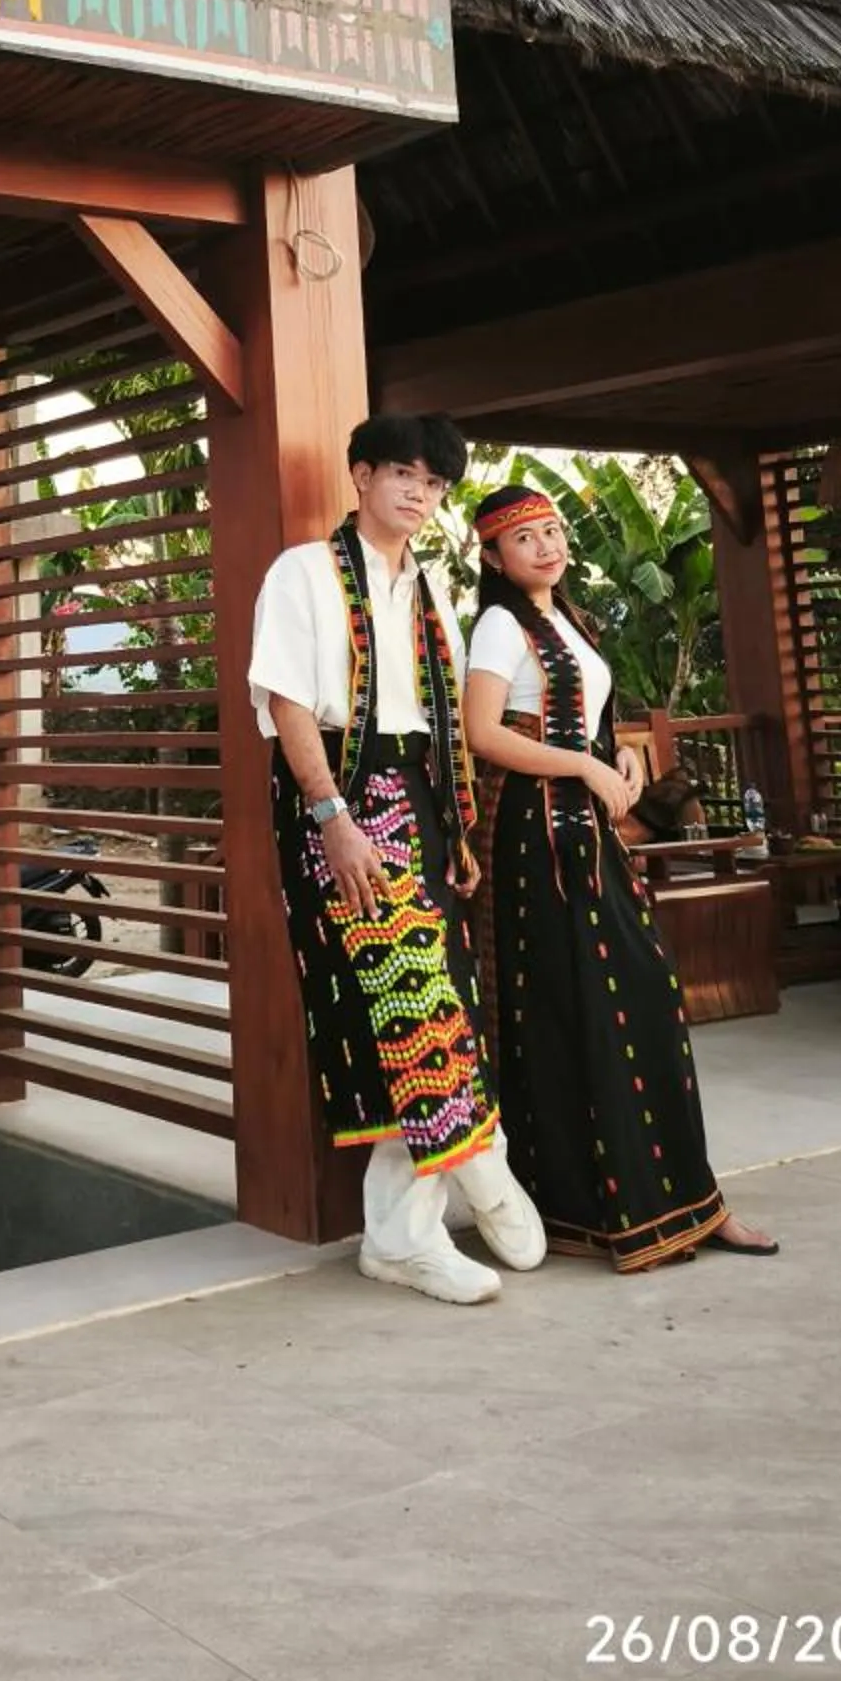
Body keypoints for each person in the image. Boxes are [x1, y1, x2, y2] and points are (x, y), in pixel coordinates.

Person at [250, 414, 547, 1302]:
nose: (421, 496)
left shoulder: (426, 590)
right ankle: (481, 1167)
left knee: (433, 998)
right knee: (409, 996)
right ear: (362, 475)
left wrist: (455, 826)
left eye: (437, 486)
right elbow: (287, 702)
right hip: (343, 788)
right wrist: (332, 815)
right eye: (407, 477)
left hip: (416, 798)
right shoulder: (302, 571)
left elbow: (445, 720)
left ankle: (401, 1232)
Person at [462, 481, 779, 1269]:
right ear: (494, 556)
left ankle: (689, 1203)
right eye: (526, 536)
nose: (547, 544)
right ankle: (608, 1210)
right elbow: (480, 732)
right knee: (583, 1015)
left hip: (587, 834)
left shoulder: (571, 620)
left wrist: (623, 755)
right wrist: (582, 766)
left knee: (642, 1002)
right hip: (536, 845)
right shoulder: (500, 625)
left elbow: (589, 722)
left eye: (553, 529)